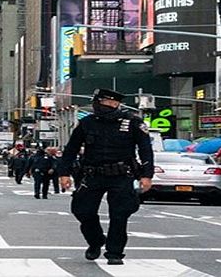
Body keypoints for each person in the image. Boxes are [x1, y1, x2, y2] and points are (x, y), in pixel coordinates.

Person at [58, 88, 154, 266]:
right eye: (102, 103)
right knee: (82, 210)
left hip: (121, 175)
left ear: (116, 104)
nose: (106, 106)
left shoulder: (132, 122)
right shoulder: (87, 123)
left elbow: (145, 150)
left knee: (119, 214)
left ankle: (115, 252)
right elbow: (71, 149)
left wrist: (147, 176)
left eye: (110, 103)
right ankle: (95, 241)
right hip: (92, 174)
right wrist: (64, 173)